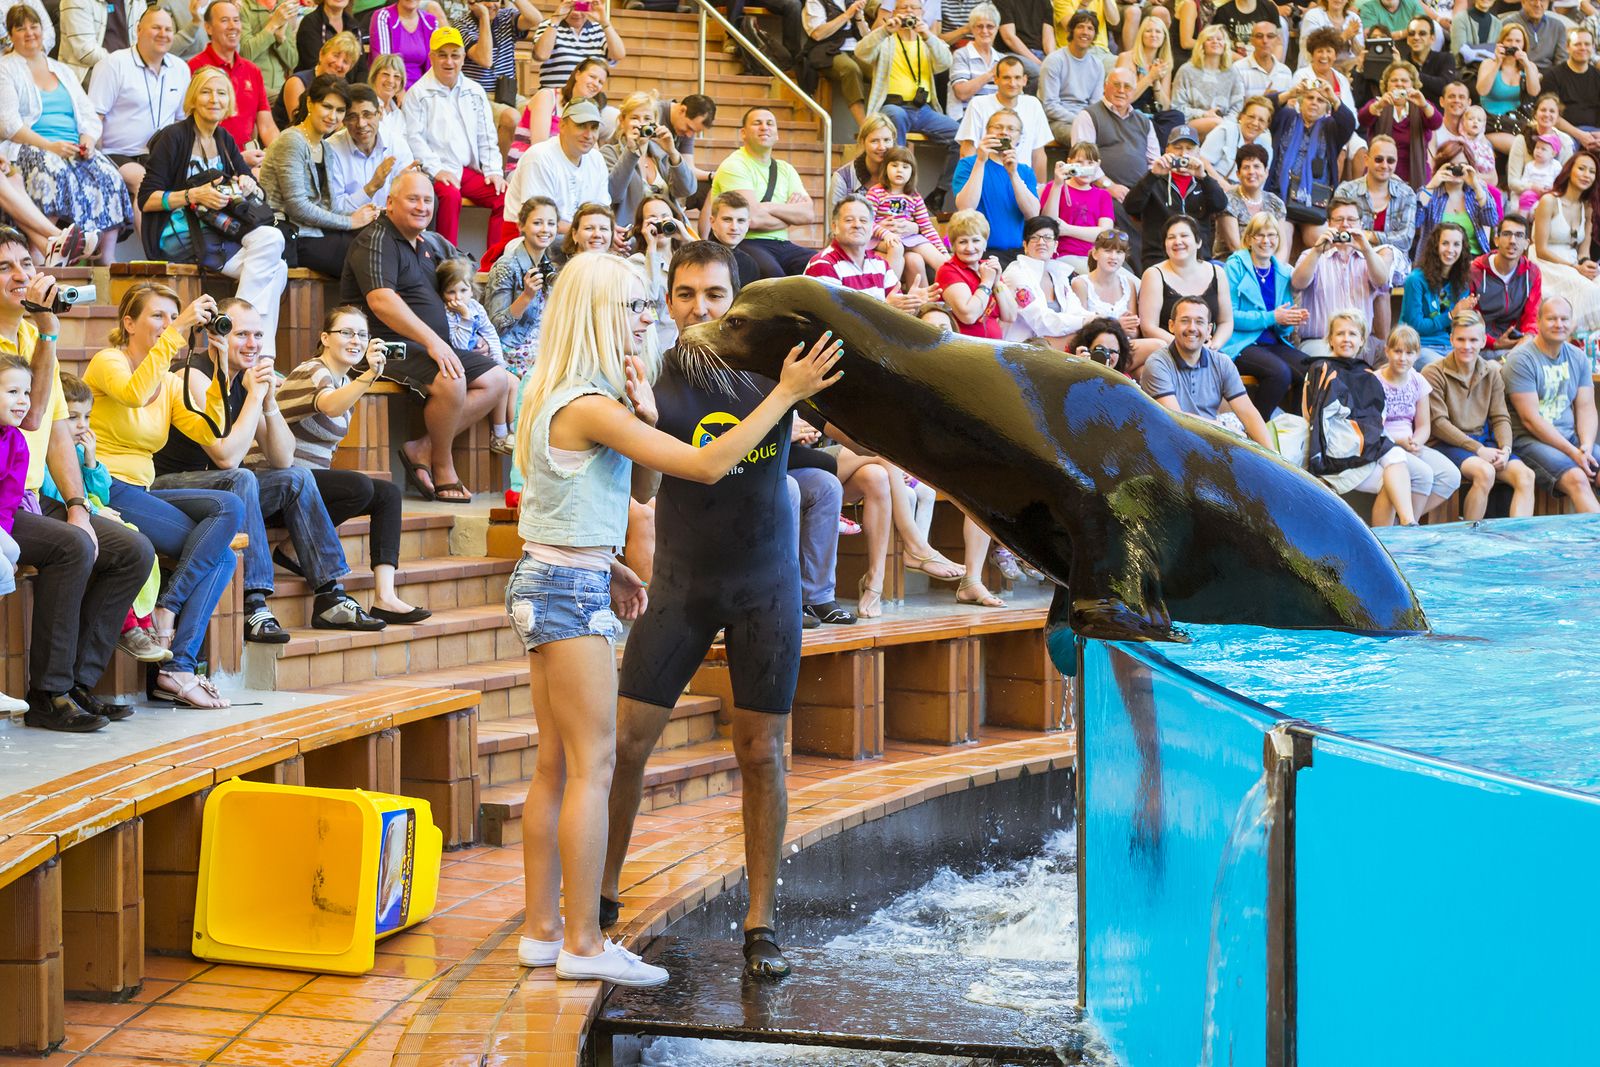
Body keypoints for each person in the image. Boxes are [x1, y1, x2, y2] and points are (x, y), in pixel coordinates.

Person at [510, 251, 840, 986]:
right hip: (678, 586)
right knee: (617, 747)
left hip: (764, 585)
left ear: (736, 301)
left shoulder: (770, 369)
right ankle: (594, 910)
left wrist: (790, 390)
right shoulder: (643, 374)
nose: (697, 306)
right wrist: (665, 413)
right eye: (682, 293)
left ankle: (761, 921)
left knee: (761, 750)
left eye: (713, 293)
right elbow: (670, 471)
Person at [154, 296, 386, 638]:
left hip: (220, 489)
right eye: (241, 334)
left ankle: (330, 595)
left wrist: (269, 402)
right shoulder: (194, 375)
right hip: (170, 489)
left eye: (258, 336)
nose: (252, 345)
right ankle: (254, 602)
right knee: (241, 476)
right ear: (216, 334)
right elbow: (226, 458)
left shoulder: (246, 378)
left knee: (297, 477)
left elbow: (283, 459)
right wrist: (252, 396)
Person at [83, 286, 244, 707]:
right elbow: (134, 392)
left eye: (174, 316)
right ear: (129, 323)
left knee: (229, 512)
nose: (168, 324)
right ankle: (178, 664)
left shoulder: (171, 383)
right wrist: (179, 331)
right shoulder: (108, 362)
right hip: (106, 486)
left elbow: (211, 431)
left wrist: (221, 368)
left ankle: (171, 636)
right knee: (221, 554)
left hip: (143, 488)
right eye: (158, 316)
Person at [341, 170, 512, 503]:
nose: (422, 207)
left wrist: (469, 331)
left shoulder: (431, 243)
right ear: (390, 203)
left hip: (428, 348)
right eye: (412, 199)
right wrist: (436, 342)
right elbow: (381, 300)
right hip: (380, 347)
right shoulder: (375, 240)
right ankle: (443, 465)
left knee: (497, 379)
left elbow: (465, 272)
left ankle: (422, 448)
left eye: (428, 200)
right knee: (452, 378)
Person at [139, 67, 290, 357]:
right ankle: (238, 337)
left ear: (230, 101)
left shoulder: (224, 139)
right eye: (206, 91)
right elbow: (147, 199)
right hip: (179, 235)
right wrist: (192, 194)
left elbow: (255, 188)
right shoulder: (173, 138)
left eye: (221, 93)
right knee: (271, 243)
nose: (214, 99)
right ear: (193, 98)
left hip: (218, 235)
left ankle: (256, 355)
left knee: (278, 266)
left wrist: (248, 184)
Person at [0, 6, 134, 267]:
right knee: (53, 171)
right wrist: (50, 145)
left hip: (71, 147)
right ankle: (45, 252)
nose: (29, 32)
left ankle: (105, 258)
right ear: (11, 35)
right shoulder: (6, 68)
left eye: (33, 26)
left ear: (43, 30)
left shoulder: (62, 70)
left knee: (109, 175)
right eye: (20, 28)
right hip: (32, 144)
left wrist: (88, 140)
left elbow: (87, 114)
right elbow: (9, 124)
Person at [1302, 308, 1417, 523]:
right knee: (1390, 480)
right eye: (1340, 333)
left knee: (1396, 459)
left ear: (1362, 340)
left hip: (1365, 443)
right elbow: (1314, 417)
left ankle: (1408, 524)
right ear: (1331, 340)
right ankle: (1392, 535)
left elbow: (1376, 418)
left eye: (1353, 334)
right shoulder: (1320, 368)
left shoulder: (1367, 374)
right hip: (1338, 451)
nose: (1347, 339)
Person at [1421, 309, 1536, 518]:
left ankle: (1519, 543)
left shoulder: (1491, 372)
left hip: (1484, 441)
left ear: (1483, 341)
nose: (1467, 346)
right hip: (1447, 443)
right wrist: (1478, 449)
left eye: (1473, 340)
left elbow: (1500, 416)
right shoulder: (1433, 372)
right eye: (1461, 339)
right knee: (1485, 472)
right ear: (1451, 339)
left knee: (1526, 476)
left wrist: (1506, 449)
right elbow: (1438, 423)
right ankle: (1470, 539)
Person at [260, 74, 377, 278]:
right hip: (292, 234)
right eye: (327, 106)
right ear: (309, 103)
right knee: (364, 258)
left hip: (316, 231)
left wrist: (366, 218)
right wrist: (351, 222)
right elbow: (298, 208)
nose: (333, 116)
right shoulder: (292, 141)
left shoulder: (326, 148)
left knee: (377, 239)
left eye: (340, 110)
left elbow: (329, 206)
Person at [88, 6, 191, 234]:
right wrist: (92, 159)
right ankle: (153, 257)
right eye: (156, 27)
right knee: (145, 182)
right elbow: (94, 116)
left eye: (168, 29)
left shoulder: (181, 68)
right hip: (116, 153)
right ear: (139, 30)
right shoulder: (114, 63)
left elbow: (182, 121)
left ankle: (186, 251)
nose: (163, 34)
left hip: (161, 154)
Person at [404, 27, 508, 250]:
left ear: (463, 57)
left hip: (467, 171)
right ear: (431, 57)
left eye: (454, 55)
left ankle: (494, 265)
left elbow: (487, 136)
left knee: (504, 196)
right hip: (435, 171)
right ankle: (448, 264)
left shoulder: (475, 90)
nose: (448, 61)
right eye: (442, 55)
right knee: (449, 196)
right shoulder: (418, 93)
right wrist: (436, 170)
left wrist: (494, 172)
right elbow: (414, 139)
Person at [857, 0, 959, 210]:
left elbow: (946, 62)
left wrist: (928, 35)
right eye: (904, 8)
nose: (909, 12)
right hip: (894, 107)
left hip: (924, 111)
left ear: (922, 13)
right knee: (895, 117)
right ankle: (895, 189)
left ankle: (939, 192)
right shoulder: (886, 40)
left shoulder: (927, 41)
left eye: (914, 8)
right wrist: (885, 30)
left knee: (961, 136)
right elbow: (861, 52)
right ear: (894, 12)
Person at [1140, 294, 1274, 446]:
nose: (1192, 328)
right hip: (1167, 446)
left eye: (1199, 322)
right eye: (1185, 321)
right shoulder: (1158, 363)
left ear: (1209, 329)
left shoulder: (1222, 363)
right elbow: (1174, 419)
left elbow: (1249, 414)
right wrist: (1223, 429)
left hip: (1209, 445)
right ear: (1171, 326)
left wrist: (1275, 459)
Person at [1504, 296, 1599, 510]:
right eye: (1551, 318)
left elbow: (1586, 408)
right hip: (1529, 441)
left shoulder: (1578, 357)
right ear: (1537, 322)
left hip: (1570, 438)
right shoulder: (1521, 360)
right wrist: (1574, 453)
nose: (1559, 324)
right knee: (1578, 478)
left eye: (1564, 319)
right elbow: (1530, 420)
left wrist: (1585, 446)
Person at [707, 107, 817, 278]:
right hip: (747, 242)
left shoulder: (786, 169)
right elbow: (753, 219)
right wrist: (789, 216)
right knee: (774, 277)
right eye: (757, 123)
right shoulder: (735, 165)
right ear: (743, 133)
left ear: (777, 134)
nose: (764, 127)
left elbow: (808, 214)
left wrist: (768, 207)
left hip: (783, 244)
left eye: (770, 123)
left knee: (821, 265)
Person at [1222, 211, 1309, 417]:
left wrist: (1289, 320)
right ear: (1249, 239)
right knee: (1280, 373)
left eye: (1272, 235)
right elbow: (1230, 316)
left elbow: (1282, 327)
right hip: (1240, 343)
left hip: (1272, 344)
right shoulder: (1235, 266)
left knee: (1311, 370)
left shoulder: (1282, 271)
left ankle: (1295, 431)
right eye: (1259, 235)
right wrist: (1273, 317)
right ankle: (1255, 430)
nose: (1266, 240)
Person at [1374, 325, 1462, 524]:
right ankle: (1409, 527)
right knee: (1424, 474)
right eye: (1397, 351)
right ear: (1387, 351)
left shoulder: (1418, 381)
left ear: (1417, 354)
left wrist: (1416, 442)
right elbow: (1374, 427)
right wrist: (1400, 442)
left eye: (1409, 352)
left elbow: (1423, 425)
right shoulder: (1376, 380)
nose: (1402, 358)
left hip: (1410, 442)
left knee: (1450, 475)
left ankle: (1402, 522)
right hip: (1386, 443)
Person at [1291, 197, 1389, 362]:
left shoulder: (1369, 257)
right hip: (1321, 342)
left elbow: (1382, 282)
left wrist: (1366, 249)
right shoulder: (1311, 255)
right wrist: (1317, 251)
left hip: (1361, 342)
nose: (1345, 224)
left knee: (1396, 360)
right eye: (1339, 219)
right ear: (1329, 223)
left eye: (1351, 219)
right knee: (1338, 362)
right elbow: (1297, 283)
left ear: (1360, 224)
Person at [1123, 123, 1228, 271]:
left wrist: (1204, 177)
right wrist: (1152, 175)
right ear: (1167, 150)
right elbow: (1130, 206)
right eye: (1178, 147)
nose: (1183, 154)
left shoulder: (1204, 182)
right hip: (1159, 259)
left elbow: (1220, 205)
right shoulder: (1154, 178)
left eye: (1189, 148)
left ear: (1198, 153)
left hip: (1198, 259)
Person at [507, 98, 610, 248]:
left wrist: (611, 232)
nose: (588, 135)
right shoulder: (539, 156)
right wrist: (592, 233)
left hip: (579, 238)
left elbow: (601, 212)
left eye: (594, 127)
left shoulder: (597, 159)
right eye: (581, 126)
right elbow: (539, 221)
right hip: (533, 240)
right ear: (562, 125)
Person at [1266, 79, 1356, 245]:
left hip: (1314, 204)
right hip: (1280, 199)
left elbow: (1349, 123)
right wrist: (1290, 94)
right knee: (1280, 241)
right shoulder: (1288, 117)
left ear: (1326, 107)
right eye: (1310, 98)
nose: (1314, 103)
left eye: (1320, 100)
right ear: (1301, 101)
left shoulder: (1331, 127)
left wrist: (1334, 99)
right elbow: (1265, 107)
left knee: (1324, 243)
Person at [188, 0, 278, 167]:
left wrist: (282, 154)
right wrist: (235, 160)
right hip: (210, 164)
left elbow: (266, 127)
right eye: (224, 20)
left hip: (251, 161)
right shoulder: (193, 68)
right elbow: (189, 130)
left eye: (236, 20)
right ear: (208, 28)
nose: (232, 26)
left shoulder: (252, 70)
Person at [1138, 214, 1234, 355]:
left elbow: (1226, 322)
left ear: (1198, 242)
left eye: (1184, 236)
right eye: (1171, 237)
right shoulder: (1153, 274)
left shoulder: (1217, 272)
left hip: (1209, 350)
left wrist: (1214, 346)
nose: (1177, 241)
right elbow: (1148, 327)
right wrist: (1187, 347)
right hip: (1168, 351)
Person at [952, 108, 1039, 262]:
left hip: (1018, 254)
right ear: (987, 132)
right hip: (977, 253)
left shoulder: (1025, 171)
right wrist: (980, 161)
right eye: (997, 127)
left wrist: (1013, 174)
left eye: (1011, 129)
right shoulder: (968, 164)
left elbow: (1033, 214)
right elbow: (965, 207)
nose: (1004, 132)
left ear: (1019, 138)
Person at [602, 92, 695, 234]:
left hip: (666, 235)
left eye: (647, 119)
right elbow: (614, 194)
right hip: (631, 237)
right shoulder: (609, 153)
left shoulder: (662, 155)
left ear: (655, 122)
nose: (641, 124)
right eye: (634, 118)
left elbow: (687, 190)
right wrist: (631, 151)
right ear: (622, 120)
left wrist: (673, 152)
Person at [1072, 227, 1163, 368]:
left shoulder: (1129, 284)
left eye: (1119, 252)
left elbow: (1133, 332)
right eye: (1108, 251)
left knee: (1148, 368)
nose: (1113, 257)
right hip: (1095, 348)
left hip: (1123, 346)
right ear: (1095, 254)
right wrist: (1117, 325)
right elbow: (1080, 329)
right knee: (1158, 344)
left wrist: (1131, 330)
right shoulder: (1081, 284)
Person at [1530, 150, 1600, 334]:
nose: (1587, 175)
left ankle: (1587, 343)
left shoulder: (1588, 208)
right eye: (1582, 169)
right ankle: (1567, 337)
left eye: (1592, 172)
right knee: (1589, 291)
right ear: (1569, 171)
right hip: (1546, 263)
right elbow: (1540, 249)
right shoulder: (1549, 201)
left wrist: (1587, 265)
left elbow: (1584, 253)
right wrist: (1575, 267)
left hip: (1573, 263)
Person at [325, 82, 413, 214]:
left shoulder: (397, 145)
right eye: (352, 117)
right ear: (343, 120)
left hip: (390, 224)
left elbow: (409, 201)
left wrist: (408, 184)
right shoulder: (331, 149)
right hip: (348, 227)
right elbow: (335, 208)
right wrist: (372, 187)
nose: (361, 124)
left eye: (367, 115)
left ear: (379, 113)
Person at [955, 55, 1050, 176]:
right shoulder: (978, 104)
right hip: (986, 179)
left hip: (1022, 182)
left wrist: (1039, 189)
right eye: (1006, 78)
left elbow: (1038, 154)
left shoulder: (1033, 105)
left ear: (1024, 80)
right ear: (996, 79)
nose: (1012, 83)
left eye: (1017, 77)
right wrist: (970, 184)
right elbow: (967, 151)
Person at [862, 149, 947, 283]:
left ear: (912, 172)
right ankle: (889, 290)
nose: (899, 170)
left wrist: (943, 251)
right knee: (896, 246)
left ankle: (935, 298)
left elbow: (926, 227)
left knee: (938, 259)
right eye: (894, 165)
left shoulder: (914, 196)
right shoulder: (875, 192)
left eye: (905, 167)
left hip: (909, 237)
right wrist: (886, 234)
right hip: (881, 239)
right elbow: (866, 222)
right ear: (885, 168)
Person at [1002, 215, 1088, 345]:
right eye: (1035, 238)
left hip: (1052, 346)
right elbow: (1040, 321)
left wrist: (1098, 318)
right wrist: (1085, 322)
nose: (1041, 242)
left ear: (1056, 245)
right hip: (1020, 348)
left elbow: (1076, 311)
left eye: (1047, 238)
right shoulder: (1016, 274)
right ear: (1025, 245)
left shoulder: (1058, 274)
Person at [511, 55, 608, 167]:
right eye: (592, 76)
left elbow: (594, 153)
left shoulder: (588, 110)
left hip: (561, 170)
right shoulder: (547, 96)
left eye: (600, 82)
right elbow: (538, 147)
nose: (596, 83)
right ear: (577, 74)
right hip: (526, 166)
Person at [1401, 220, 1475, 365]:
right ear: (1436, 246)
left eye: (1456, 244)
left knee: (1483, 369)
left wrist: (1468, 315)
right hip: (1419, 346)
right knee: (1444, 370)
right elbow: (1415, 327)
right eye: (1445, 243)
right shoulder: (1415, 280)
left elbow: (1458, 327)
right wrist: (1451, 315)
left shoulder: (1462, 282)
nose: (1450, 249)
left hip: (1451, 346)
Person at [936, 209, 1019, 336]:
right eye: (963, 242)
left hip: (993, 348)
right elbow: (968, 316)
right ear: (953, 246)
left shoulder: (988, 268)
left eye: (975, 241)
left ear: (985, 243)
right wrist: (986, 282)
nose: (970, 248)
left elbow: (1010, 316)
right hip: (966, 349)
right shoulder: (948, 270)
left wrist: (997, 282)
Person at [1416, 139, 1500, 262]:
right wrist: (1432, 185)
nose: (1456, 171)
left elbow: (1491, 220)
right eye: (1451, 166)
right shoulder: (1429, 193)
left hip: (1472, 261)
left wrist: (1476, 186)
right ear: (1441, 166)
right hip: (1436, 262)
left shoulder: (1476, 192)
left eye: (1461, 166)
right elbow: (1414, 221)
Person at [1358, 60, 1440, 187]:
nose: (1399, 84)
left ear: (1413, 84)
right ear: (1386, 85)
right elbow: (1363, 120)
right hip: (1379, 176)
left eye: (1404, 80)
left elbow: (1436, 123)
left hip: (1415, 177)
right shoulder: (1378, 103)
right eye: (1394, 80)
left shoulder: (1422, 105)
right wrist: (1379, 105)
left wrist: (1424, 105)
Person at [1469, 212, 1542, 350]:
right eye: (1507, 234)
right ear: (1496, 240)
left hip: (1518, 342)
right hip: (1481, 344)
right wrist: (1493, 343)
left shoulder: (1532, 273)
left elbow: (1532, 317)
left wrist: (1526, 339)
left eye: (1519, 235)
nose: (1513, 240)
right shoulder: (1475, 271)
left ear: (1527, 243)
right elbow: (1470, 318)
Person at [1039, 141, 1114, 272]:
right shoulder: (1055, 186)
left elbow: (1105, 233)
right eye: (1079, 163)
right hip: (1063, 255)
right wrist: (1057, 184)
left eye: (1090, 163)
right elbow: (1049, 224)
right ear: (1069, 162)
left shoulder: (1103, 195)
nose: (1084, 168)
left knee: (1134, 284)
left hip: (1097, 256)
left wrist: (1068, 229)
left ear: (1098, 165)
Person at [625, 196, 687, 349]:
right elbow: (649, 296)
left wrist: (686, 238)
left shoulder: (686, 258)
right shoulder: (636, 262)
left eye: (665, 217)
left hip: (688, 345)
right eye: (653, 218)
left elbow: (709, 275)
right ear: (641, 227)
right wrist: (651, 246)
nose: (660, 223)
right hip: (659, 348)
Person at [1039, 9, 1106, 146]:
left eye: (1090, 28)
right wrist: (1079, 120)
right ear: (1071, 31)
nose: (1085, 32)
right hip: (1058, 122)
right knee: (1082, 139)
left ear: (1095, 34)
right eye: (1080, 27)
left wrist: (1087, 121)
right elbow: (1050, 106)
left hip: (1085, 120)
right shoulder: (1055, 60)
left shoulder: (1097, 65)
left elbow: (1095, 104)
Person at [803, 0, 875, 127]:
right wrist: (847, 15)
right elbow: (817, 34)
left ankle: (880, 122)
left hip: (856, 48)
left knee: (879, 70)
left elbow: (866, 37)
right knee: (850, 68)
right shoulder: (815, 2)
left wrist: (859, 18)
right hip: (826, 50)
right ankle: (864, 126)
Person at [530, 0, 624, 92]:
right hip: (554, 95)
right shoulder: (549, 25)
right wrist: (556, 20)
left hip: (589, 96)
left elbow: (618, 55)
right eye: (571, 6)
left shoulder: (598, 29)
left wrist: (605, 23)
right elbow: (541, 55)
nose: (576, 13)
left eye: (581, 6)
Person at [1215, 142, 1289, 256]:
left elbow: (1282, 247)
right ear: (1238, 174)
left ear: (1266, 172)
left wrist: (1276, 270)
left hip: (1267, 265)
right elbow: (1235, 247)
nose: (1251, 172)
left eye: (1257, 166)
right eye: (1246, 167)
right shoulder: (1228, 201)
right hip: (1233, 265)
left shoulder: (1276, 203)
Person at [275, 30, 360, 128]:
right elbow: (300, 124)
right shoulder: (297, 82)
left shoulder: (344, 90)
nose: (338, 64)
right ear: (321, 54)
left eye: (345, 62)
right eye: (335, 55)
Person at [1477, 24, 1541, 153]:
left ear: (1524, 44)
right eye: (1509, 40)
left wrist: (1527, 65)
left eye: (1518, 41)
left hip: (1519, 122)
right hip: (1493, 123)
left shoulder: (1530, 66)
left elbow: (1534, 92)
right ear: (1501, 42)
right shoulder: (1489, 64)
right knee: (1520, 148)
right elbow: (1481, 91)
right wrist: (1498, 63)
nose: (1513, 44)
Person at [1174, 24, 1243, 138]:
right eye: (1209, 39)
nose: (1215, 42)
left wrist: (1226, 121)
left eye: (1219, 39)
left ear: (1225, 44)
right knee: (1218, 125)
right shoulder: (1186, 70)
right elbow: (1177, 108)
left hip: (1225, 124)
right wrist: (1204, 114)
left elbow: (1237, 107)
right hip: (1192, 123)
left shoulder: (1233, 72)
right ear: (1202, 45)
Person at [1117, 15, 1178, 142]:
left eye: (1158, 31)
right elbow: (1125, 98)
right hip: (1131, 113)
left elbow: (1165, 107)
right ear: (1141, 35)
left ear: (1164, 37)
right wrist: (1150, 77)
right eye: (1148, 31)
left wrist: (1156, 83)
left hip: (1153, 117)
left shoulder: (1165, 64)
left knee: (1176, 116)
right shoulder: (1127, 58)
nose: (1153, 35)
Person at [1507, 93, 1576, 205]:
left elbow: (1566, 178)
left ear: (1558, 116)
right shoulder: (1521, 140)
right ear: (1535, 114)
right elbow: (1512, 181)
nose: (1547, 114)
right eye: (1543, 110)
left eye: (1552, 111)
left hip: (1554, 197)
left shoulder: (1565, 141)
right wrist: (1532, 188)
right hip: (1524, 196)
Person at [945, 2, 1004, 123]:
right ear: (972, 29)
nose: (985, 31)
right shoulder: (961, 55)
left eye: (990, 26)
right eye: (979, 26)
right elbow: (961, 93)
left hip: (995, 121)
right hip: (966, 119)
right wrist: (990, 74)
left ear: (997, 29)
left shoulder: (1002, 59)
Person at [1199, 93, 1273, 182]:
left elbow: (1260, 181)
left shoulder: (1266, 147)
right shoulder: (1225, 131)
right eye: (1251, 117)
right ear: (1241, 116)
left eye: (1261, 120)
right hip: (1214, 187)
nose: (1255, 123)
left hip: (1244, 192)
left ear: (1266, 125)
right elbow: (1203, 162)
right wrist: (1224, 187)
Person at [235, 0, 299, 100]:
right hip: (251, 90)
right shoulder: (242, 7)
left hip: (280, 91)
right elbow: (245, 53)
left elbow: (293, 62)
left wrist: (280, 39)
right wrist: (272, 25)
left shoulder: (284, 7)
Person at [56, 0, 135, 80]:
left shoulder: (136, 2)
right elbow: (86, 52)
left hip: (126, 67)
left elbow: (139, 40)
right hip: (88, 70)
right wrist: (125, 64)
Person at [829, 111, 895, 206]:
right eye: (874, 141)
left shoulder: (902, 174)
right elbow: (834, 220)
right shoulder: (842, 178)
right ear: (862, 142)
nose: (882, 147)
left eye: (887, 140)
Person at [1550, 26, 1600, 150]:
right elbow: (1550, 115)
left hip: (1596, 133)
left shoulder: (1598, 76)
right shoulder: (1553, 76)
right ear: (1567, 47)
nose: (1583, 48)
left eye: (1587, 44)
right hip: (1566, 134)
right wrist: (1580, 135)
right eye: (1577, 44)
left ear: (1593, 47)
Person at [370, 0, 438, 87]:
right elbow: (383, 63)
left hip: (423, 91)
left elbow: (435, 65)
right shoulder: (384, 16)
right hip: (391, 88)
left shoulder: (431, 21)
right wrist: (399, 92)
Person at [297, 0, 372, 76]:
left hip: (349, 86)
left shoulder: (354, 25)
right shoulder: (310, 23)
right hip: (317, 84)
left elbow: (362, 70)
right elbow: (314, 66)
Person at [705, 190, 764, 285]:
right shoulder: (699, 258)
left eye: (741, 221)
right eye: (727, 220)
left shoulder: (749, 263)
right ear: (712, 222)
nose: (734, 227)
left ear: (748, 224)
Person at [1503, 0, 1572, 76]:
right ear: (1523, 2)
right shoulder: (1508, 23)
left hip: (1549, 77)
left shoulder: (1557, 26)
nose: (1538, 4)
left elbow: (1561, 61)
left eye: (1542, 0)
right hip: (1517, 75)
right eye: (1533, 0)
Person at [1297, 0, 1363, 73]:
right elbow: (1315, 50)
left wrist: (1353, 38)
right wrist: (1344, 36)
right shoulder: (1313, 15)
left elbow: (1360, 53)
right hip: (1318, 67)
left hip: (1347, 67)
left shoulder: (1354, 17)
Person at [1401, 15, 1458, 99]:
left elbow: (1446, 87)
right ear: (1408, 39)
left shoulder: (1446, 58)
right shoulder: (1402, 63)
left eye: (1422, 33)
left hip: (1437, 111)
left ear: (1432, 38)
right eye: (1411, 34)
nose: (1416, 37)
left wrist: (1412, 74)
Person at [1233, 21, 1292, 97]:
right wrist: (1265, 100)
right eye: (1259, 36)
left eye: (1270, 36)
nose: (1265, 41)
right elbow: (1236, 107)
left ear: (1277, 40)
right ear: (1252, 40)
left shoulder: (1285, 72)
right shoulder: (1238, 69)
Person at [1451, 0, 1501, 66]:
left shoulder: (1498, 24)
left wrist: (1472, 50)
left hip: (1489, 71)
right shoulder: (1460, 19)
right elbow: (1458, 51)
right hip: (1465, 71)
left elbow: (1498, 53)